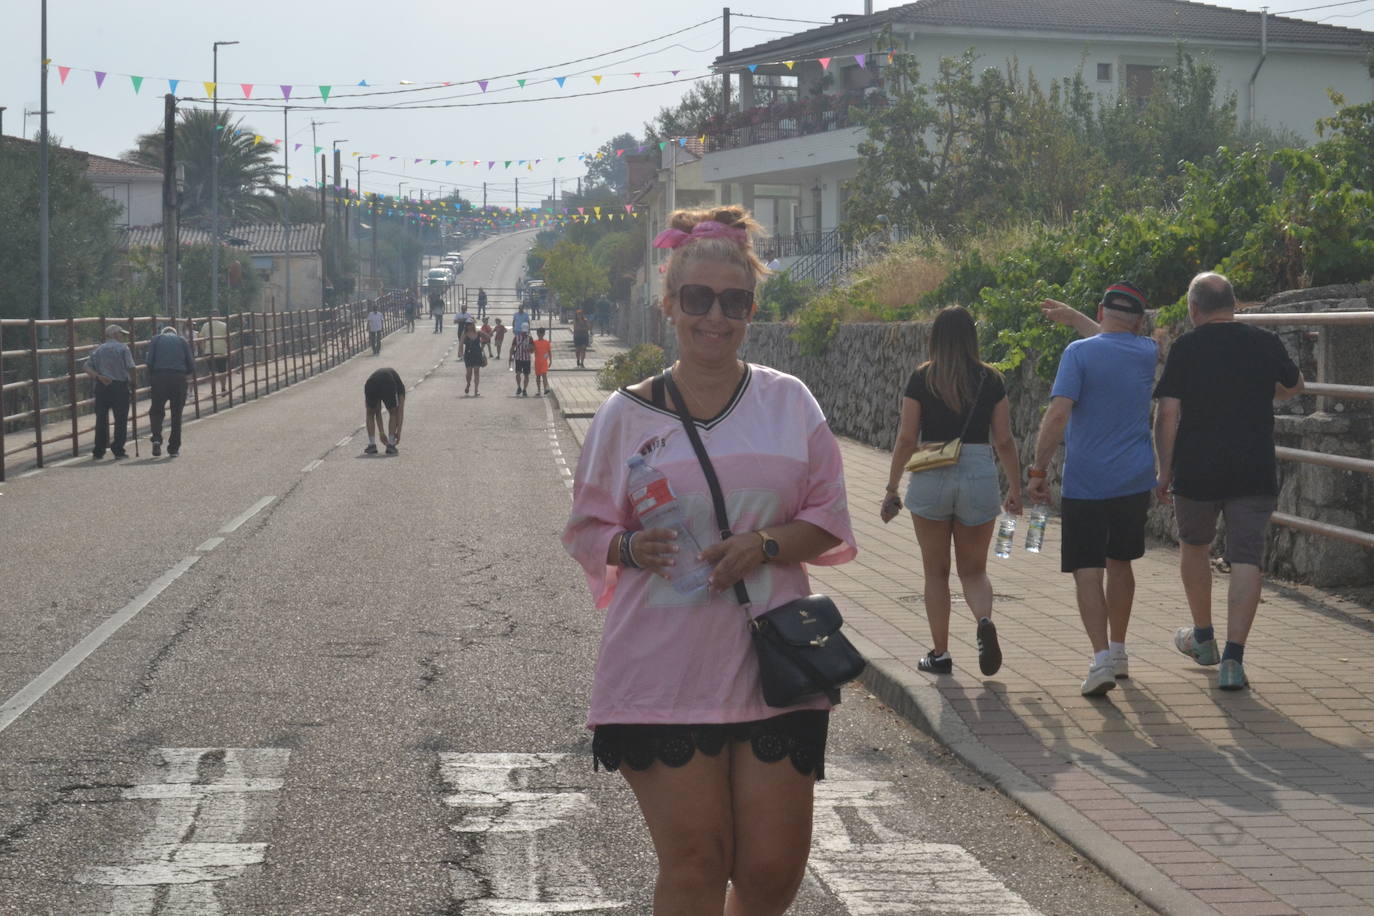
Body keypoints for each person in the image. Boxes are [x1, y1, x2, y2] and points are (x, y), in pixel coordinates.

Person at [561, 205, 857, 914]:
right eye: (698, 299)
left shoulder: (791, 404)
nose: (714, 317)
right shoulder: (624, 415)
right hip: (663, 669)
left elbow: (828, 520)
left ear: (752, 309)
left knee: (771, 870)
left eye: (733, 301)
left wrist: (765, 544)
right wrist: (632, 546)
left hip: (776, 664)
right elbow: (586, 529)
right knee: (697, 862)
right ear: (670, 306)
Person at [1154, 272, 1304, 691]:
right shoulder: (1264, 342)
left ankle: (1203, 638)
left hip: (1197, 468)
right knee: (1246, 559)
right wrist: (1267, 391)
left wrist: (1164, 470)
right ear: (1235, 304)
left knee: (1195, 547)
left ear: (1194, 309)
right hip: (1253, 468)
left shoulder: (1186, 347)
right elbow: (1295, 386)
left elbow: (1167, 412)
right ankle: (1234, 661)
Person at [1030, 283, 1158, 697]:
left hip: (1086, 482)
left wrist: (1038, 469)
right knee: (1121, 563)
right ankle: (1119, 651)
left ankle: (1100, 659)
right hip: (1135, 479)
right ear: (1140, 320)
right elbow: (1113, 339)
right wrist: (1076, 319)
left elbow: (1058, 414)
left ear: (1102, 309)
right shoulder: (1147, 353)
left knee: (1088, 570)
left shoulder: (1077, 355)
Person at [881, 306, 1022, 678]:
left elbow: (907, 437)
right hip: (977, 468)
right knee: (974, 570)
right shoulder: (991, 379)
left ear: (936, 338)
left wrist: (892, 486)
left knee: (935, 573)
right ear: (971, 337)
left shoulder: (922, 378)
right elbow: (1004, 439)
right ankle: (984, 622)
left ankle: (940, 654)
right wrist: (1016, 489)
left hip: (931, 467)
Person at [84, 324, 136, 460]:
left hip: (102, 385)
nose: (122, 336)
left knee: (101, 418)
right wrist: (133, 382)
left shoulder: (98, 349)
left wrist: (98, 376)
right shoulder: (123, 348)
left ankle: (99, 450)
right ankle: (118, 449)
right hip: (119, 386)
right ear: (115, 334)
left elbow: (87, 367)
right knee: (121, 419)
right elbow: (131, 367)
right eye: (121, 334)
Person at [145, 325, 195, 458]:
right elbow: (191, 365)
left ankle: (156, 439)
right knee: (176, 413)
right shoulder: (182, 341)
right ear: (175, 333)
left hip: (159, 377)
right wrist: (186, 374)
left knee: (156, 410)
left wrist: (152, 378)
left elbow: (149, 362)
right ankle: (173, 448)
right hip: (178, 378)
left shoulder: (155, 340)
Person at [363, 367, 404, 455]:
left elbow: (378, 411)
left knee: (370, 413)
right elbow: (400, 411)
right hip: (387, 380)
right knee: (393, 412)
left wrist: (381, 432)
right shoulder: (401, 388)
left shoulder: (394, 380)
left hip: (371, 382)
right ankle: (391, 443)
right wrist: (398, 432)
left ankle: (372, 445)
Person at [197, 310, 230, 394]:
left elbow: (200, 339)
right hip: (221, 350)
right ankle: (223, 388)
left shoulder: (205, 325)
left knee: (212, 372)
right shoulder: (224, 325)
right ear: (219, 315)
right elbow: (228, 339)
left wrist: (203, 350)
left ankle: (213, 390)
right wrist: (229, 349)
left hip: (209, 351)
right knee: (222, 371)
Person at [461, 322, 486, 397]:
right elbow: (461, 343)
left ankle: (476, 390)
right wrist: (460, 352)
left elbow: (487, 337)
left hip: (477, 354)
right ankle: (468, 384)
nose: (470, 326)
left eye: (471, 324)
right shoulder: (465, 334)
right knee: (469, 373)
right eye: (468, 324)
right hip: (468, 355)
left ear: (473, 325)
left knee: (476, 371)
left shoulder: (478, 332)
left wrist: (482, 347)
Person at [509, 329, 533, 396]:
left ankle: (522, 388)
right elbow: (532, 351)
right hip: (523, 358)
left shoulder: (518, 337)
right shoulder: (529, 338)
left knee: (523, 374)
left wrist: (510, 356)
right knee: (522, 374)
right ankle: (521, 388)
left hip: (522, 358)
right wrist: (510, 356)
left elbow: (532, 350)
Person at [532, 326, 553, 396]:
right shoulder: (534, 342)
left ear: (544, 334)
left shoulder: (547, 342)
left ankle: (545, 388)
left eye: (541, 333)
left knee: (544, 375)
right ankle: (538, 390)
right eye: (539, 333)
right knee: (538, 376)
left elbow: (549, 352)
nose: (540, 335)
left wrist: (550, 360)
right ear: (537, 334)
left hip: (544, 362)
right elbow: (532, 351)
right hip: (537, 362)